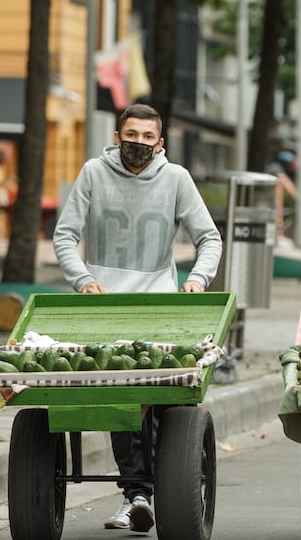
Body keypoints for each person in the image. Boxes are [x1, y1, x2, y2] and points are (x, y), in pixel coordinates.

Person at [52, 103, 223, 533]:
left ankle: (165, 486)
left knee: (162, 399)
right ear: (117, 136)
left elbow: (209, 238)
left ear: (160, 142)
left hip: (160, 307)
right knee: (120, 398)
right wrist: (83, 280)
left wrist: (198, 280)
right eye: (132, 135)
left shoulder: (177, 178)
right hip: (104, 306)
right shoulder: (93, 172)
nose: (139, 143)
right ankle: (137, 495)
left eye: (149, 137)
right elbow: (65, 235)